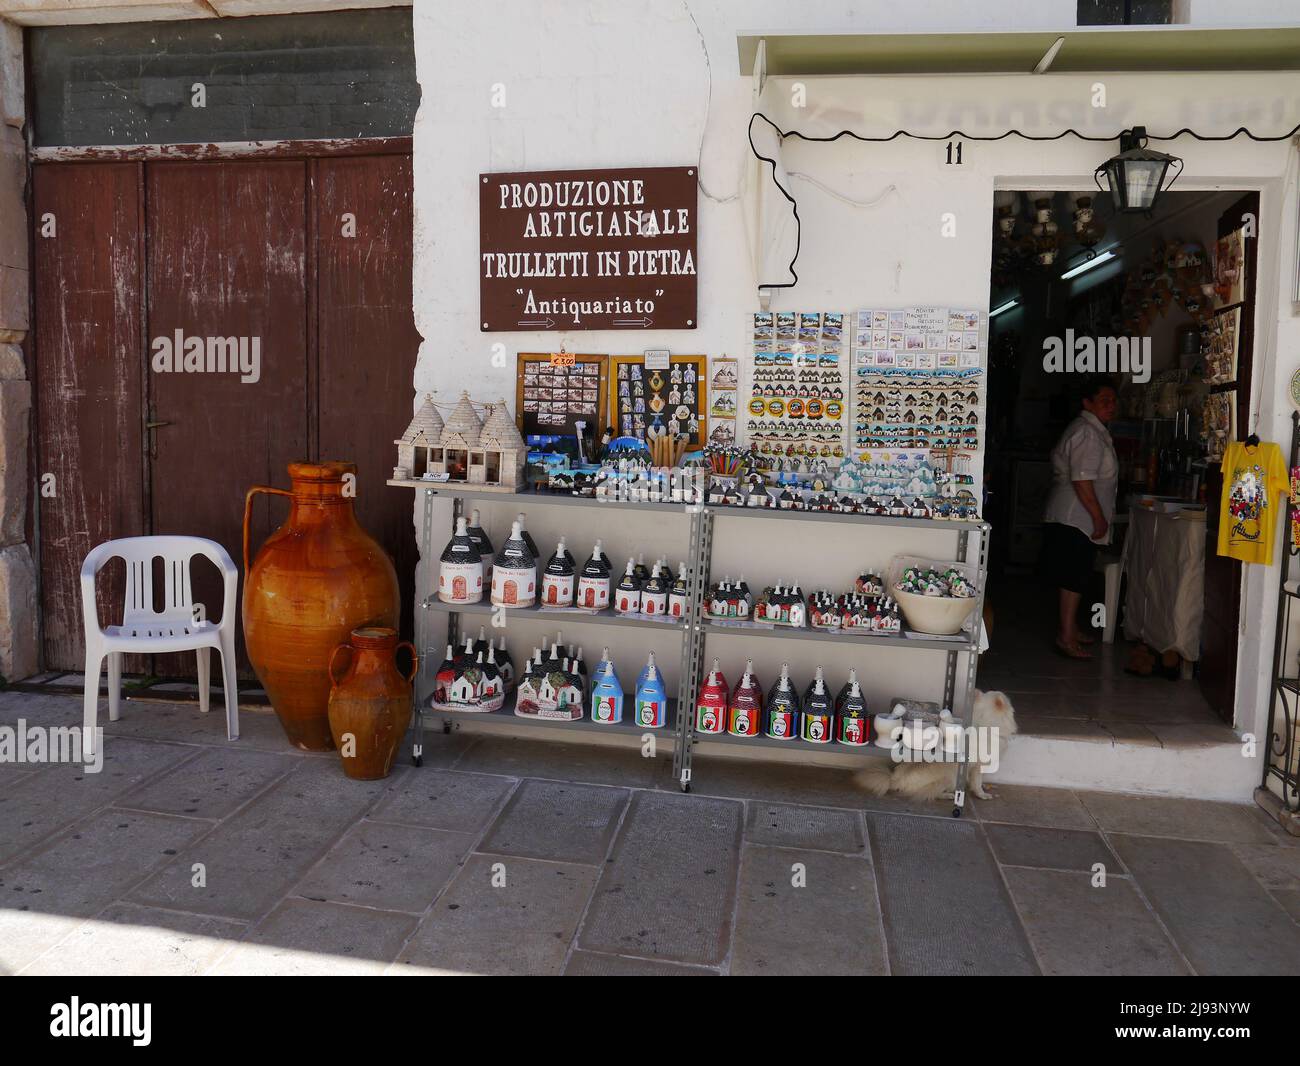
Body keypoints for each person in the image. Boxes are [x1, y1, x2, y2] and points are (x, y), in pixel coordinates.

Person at [1042, 379, 1119, 659]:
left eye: (1113, 401)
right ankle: (1066, 636)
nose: (1111, 406)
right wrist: (1098, 518)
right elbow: (1082, 480)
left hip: (1075, 516)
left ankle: (1070, 629)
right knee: (1073, 577)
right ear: (1087, 403)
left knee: (1075, 575)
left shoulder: (1092, 430)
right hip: (1076, 516)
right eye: (1104, 400)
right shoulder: (1088, 433)